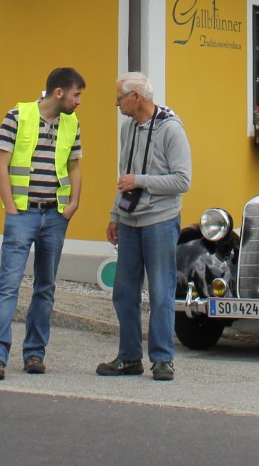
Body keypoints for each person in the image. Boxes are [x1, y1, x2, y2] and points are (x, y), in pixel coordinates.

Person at [0, 66, 84, 380]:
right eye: (76, 94)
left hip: (55, 215)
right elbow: (0, 165)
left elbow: (74, 165)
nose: (79, 101)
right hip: (22, 214)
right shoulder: (17, 116)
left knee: (45, 288)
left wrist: (73, 205)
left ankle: (35, 354)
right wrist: (11, 208)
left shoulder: (72, 123)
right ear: (59, 92)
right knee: (8, 285)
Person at [97, 72, 192, 381]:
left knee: (161, 291)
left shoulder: (171, 130)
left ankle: (163, 359)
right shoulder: (129, 128)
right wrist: (115, 215)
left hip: (160, 221)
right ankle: (128, 358)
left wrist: (140, 181)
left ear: (135, 97)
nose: (116, 104)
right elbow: (123, 174)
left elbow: (182, 181)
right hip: (129, 220)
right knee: (124, 291)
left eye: (119, 98)